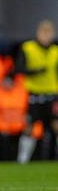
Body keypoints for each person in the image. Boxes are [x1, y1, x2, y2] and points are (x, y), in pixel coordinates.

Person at [15, 20, 58, 163]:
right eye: (43, 32)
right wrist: (35, 71)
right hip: (34, 93)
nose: (46, 36)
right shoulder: (28, 48)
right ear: (38, 33)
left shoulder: (55, 51)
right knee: (30, 125)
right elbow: (19, 68)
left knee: (55, 125)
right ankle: (23, 158)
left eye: (49, 32)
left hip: (52, 93)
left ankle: (53, 157)